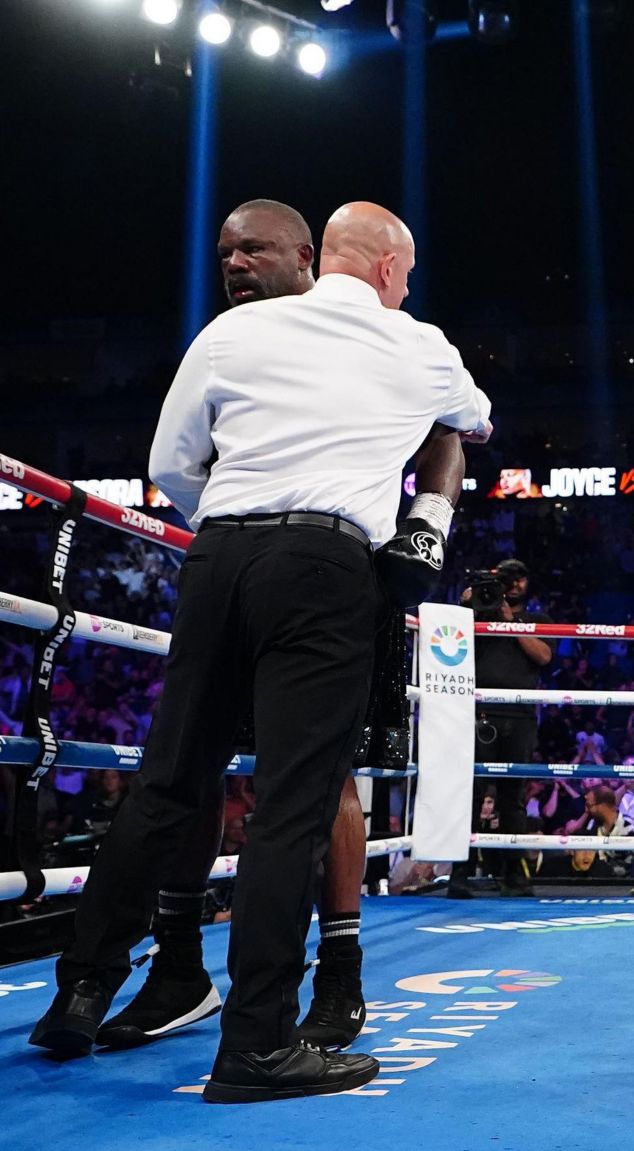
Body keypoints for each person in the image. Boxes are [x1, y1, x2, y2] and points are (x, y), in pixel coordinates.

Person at [32, 202, 493, 1105]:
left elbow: (170, 463)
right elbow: (472, 422)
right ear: (392, 270)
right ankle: (256, 1042)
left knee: (168, 780)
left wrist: (238, 508)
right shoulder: (415, 339)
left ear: (320, 258)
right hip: (325, 563)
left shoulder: (233, 331)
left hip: (217, 556)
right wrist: (420, 513)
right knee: (292, 801)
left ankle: (82, 990)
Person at [450, 559, 552, 897]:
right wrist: (465, 606)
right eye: (505, 579)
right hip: (479, 713)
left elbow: (543, 656)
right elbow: (450, 644)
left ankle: (515, 877)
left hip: (520, 716)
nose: (512, 584)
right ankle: (459, 876)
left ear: (527, 582)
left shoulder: (537, 620)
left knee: (513, 799)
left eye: (518, 577)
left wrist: (512, 622)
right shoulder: (475, 615)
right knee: (472, 796)